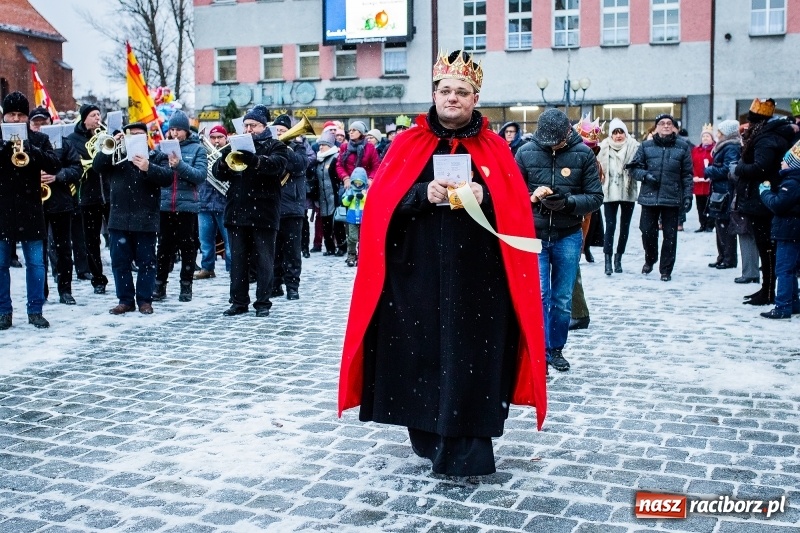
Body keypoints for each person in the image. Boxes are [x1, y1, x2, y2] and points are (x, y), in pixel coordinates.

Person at [339, 50, 546, 477]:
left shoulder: (495, 148)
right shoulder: (406, 144)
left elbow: (514, 209)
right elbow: (380, 207)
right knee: (421, 358)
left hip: (480, 282)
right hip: (416, 277)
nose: (452, 98)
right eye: (445, 90)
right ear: (434, 94)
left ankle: (467, 447)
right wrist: (422, 195)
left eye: (462, 92)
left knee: (474, 359)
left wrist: (484, 196)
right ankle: (430, 435)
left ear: (475, 98)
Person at [517, 108, 603, 371]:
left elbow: (595, 197)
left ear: (568, 132)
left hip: (568, 234)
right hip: (534, 235)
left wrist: (566, 202)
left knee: (563, 297)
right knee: (540, 294)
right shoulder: (525, 152)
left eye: (554, 140)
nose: (549, 145)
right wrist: (532, 198)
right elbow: (513, 194)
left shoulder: (584, 154)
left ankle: (556, 348)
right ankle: (539, 350)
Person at [212, 106, 289, 317]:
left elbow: (277, 166)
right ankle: (238, 302)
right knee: (238, 261)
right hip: (237, 212)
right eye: (246, 125)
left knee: (264, 260)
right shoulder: (234, 146)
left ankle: (263, 302)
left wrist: (254, 160)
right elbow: (217, 172)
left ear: (264, 126)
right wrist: (225, 161)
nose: (248, 129)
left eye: (253, 125)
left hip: (264, 212)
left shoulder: (276, 145)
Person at [94, 122, 172, 314]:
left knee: (147, 262)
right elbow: (97, 166)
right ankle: (125, 300)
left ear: (145, 138)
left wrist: (148, 168)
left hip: (145, 218)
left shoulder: (156, 157)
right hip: (119, 218)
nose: (135, 138)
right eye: (131, 135)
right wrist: (113, 144)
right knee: (120, 262)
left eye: (139, 135)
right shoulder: (117, 157)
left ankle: (145, 300)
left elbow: (168, 178)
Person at [0, 91, 61, 329]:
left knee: (36, 263)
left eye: (20, 115)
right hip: (3, 210)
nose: (16, 119)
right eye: (11, 115)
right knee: (1, 264)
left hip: (31, 209)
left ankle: (35, 310)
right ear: (4, 116)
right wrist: (6, 147)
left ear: (26, 117)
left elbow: (54, 164)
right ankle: (4, 311)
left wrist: (29, 148)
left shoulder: (38, 139)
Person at [735, 98, 796, 306]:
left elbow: (760, 167)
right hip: (760, 199)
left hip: (762, 200)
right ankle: (767, 288)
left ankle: (769, 290)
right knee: (767, 248)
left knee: (766, 248)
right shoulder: (769, 136)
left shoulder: (766, 139)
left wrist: (740, 167)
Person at [627, 113, 694, 281]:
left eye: (669, 123)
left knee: (670, 236)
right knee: (647, 231)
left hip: (672, 197)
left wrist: (687, 196)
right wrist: (645, 175)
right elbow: (633, 168)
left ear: (673, 127)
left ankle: (666, 270)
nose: (666, 126)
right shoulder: (646, 146)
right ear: (656, 127)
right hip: (649, 196)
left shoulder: (682, 147)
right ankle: (650, 257)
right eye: (662, 123)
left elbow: (687, 174)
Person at [28, 106, 81, 305]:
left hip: (60, 202)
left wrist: (57, 176)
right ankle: (41, 291)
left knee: (64, 249)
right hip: (34, 204)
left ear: (51, 123)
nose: (40, 127)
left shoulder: (64, 143)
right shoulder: (24, 145)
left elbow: (76, 169)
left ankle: (65, 290)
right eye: (36, 123)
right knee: (37, 251)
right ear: (30, 125)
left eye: (44, 122)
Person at [152, 111, 206, 303]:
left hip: (187, 206)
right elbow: (154, 172)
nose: (175, 133)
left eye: (179, 130)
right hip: (165, 204)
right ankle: (159, 285)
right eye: (172, 129)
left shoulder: (197, 149)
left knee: (187, 247)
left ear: (186, 131)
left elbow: (200, 176)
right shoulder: (161, 148)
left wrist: (180, 165)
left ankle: (186, 285)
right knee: (164, 247)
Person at [67, 104, 110, 294]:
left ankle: (120, 272)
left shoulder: (105, 134)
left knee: (116, 237)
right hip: (88, 195)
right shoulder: (73, 140)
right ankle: (98, 279)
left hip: (108, 194)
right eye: (93, 115)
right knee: (91, 240)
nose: (97, 118)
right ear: (84, 119)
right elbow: (74, 163)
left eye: (99, 114)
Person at [758, 141, 800, 319]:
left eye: (785, 160)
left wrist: (765, 193)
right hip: (794, 229)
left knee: (783, 269)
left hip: (789, 230)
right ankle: (794, 303)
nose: (781, 163)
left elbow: (778, 205)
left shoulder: (792, 183)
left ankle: (782, 306)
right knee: (790, 268)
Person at [271, 114, 309, 301]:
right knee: (274, 251)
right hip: (273, 207)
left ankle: (292, 286)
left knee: (292, 251)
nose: (279, 134)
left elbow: (300, 165)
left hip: (293, 208)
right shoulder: (270, 149)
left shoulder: (299, 149)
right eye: (276, 131)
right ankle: (275, 285)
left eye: (282, 131)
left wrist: (284, 148)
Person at [598, 118, 639, 274]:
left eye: (621, 132)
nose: (618, 136)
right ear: (610, 134)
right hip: (609, 191)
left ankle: (618, 258)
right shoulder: (603, 147)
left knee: (625, 227)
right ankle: (607, 261)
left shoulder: (634, 147)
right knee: (610, 226)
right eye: (615, 132)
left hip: (628, 190)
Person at [705, 120, 741, 271]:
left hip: (726, 191)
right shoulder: (726, 145)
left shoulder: (731, 146)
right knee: (720, 225)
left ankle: (728, 258)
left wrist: (709, 170)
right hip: (721, 190)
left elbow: (729, 169)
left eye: (720, 131)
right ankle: (723, 257)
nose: (717, 134)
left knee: (724, 225)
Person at [195, 125, 231, 280]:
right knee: (205, 240)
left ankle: (232, 268)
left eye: (220, 137)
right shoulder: (203, 154)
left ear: (226, 138)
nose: (216, 141)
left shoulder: (230, 153)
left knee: (229, 241)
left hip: (225, 204)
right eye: (213, 138)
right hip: (204, 202)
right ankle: (207, 267)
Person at [312, 130, 347, 256]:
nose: (321, 147)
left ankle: (342, 247)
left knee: (337, 223)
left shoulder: (336, 158)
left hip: (334, 196)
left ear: (330, 146)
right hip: (323, 197)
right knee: (325, 224)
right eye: (320, 144)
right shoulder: (318, 160)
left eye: (324, 144)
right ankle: (329, 248)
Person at [336, 120, 380, 190]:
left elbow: (376, 166)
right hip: (349, 184)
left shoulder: (370, 147)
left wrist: (371, 179)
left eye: (354, 130)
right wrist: (345, 178)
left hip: (365, 184)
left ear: (360, 132)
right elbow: (339, 165)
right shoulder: (344, 147)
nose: (351, 132)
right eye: (350, 130)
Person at [340, 167, 367, 267]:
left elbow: (370, 201)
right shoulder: (350, 190)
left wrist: (363, 197)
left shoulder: (365, 191)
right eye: (356, 182)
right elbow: (344, 202)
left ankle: (361, 256)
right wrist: (349, 198)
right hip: (351, 218)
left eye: (360, 183)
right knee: (352, 238)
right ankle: (351, 255)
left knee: (363, 238)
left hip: (363, 218)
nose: (358, 185)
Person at [692, 124, 716, 232]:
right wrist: (693, 175)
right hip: (698, 182)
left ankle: (710, 224)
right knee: (700, 205)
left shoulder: (715, 150)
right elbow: (691, 164)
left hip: (710, 183)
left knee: (711, 204)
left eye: (707, 136)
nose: (705, 138)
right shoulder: (696, 150)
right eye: (703, 136)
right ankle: (702, 224)